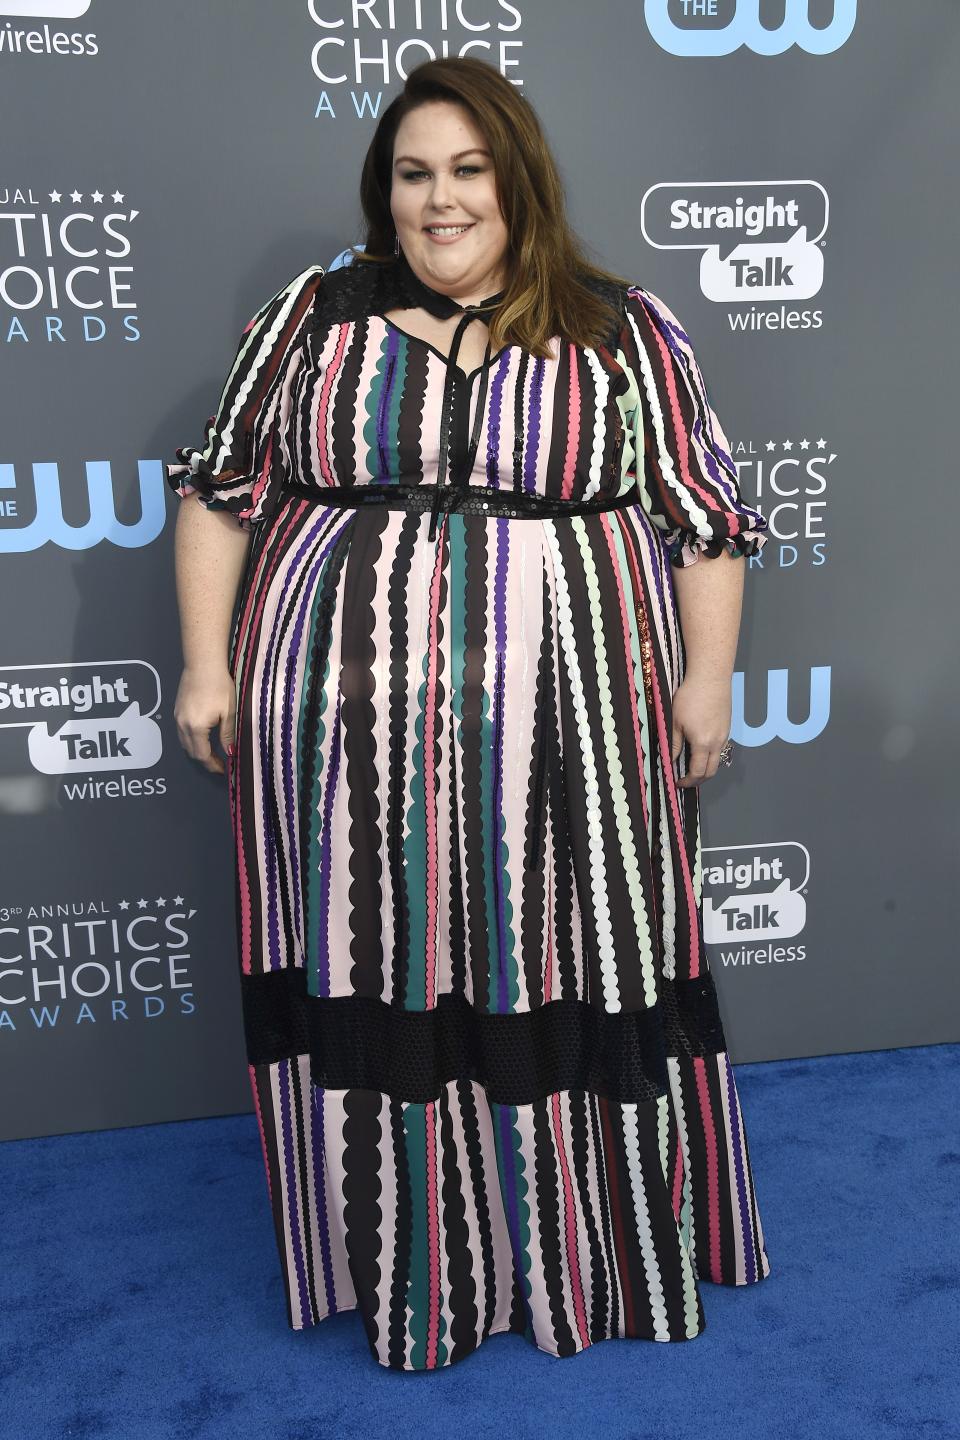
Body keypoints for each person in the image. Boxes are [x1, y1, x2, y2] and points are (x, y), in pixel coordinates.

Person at [166, 55, 772, 1372]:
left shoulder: (621, 328)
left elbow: (706, 525)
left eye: (467, 170)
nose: (439, 200)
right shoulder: (314, 314)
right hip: (344, 739)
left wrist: (707, 680)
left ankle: (582, 1257)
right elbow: (220, 492)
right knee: (380, 975)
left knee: (572, 968)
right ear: (385, 189)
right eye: (413, 173)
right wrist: (207, 669)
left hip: (576, 734)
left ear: (519, 179)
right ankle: (408, 1262)